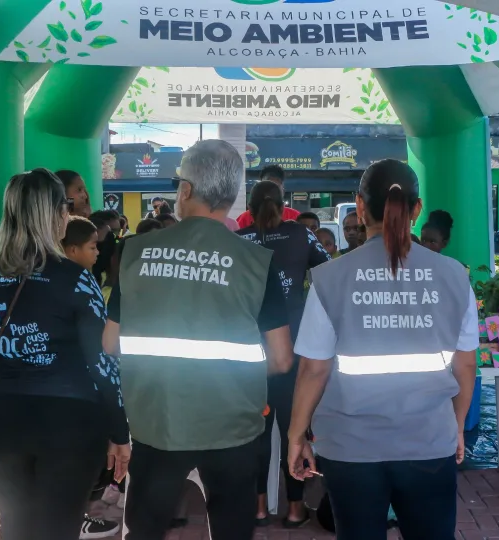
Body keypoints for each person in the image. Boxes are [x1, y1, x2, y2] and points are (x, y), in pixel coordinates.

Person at [106, 140, 295, 540]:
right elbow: (280, 359)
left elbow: (110, 343)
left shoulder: (135, 252)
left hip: (156, 422)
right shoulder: (256, 263)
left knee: (145, 530)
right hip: (234, 426)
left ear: (186, 191)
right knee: (232, 530)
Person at [287, 159, 479, 540]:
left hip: (349, 449)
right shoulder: (455, 275)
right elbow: (466, 365)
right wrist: (455, 427)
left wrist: (296, 436)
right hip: (428, 443)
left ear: (360, 207)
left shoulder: (330, 277)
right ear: (417, 209)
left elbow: (314, 369)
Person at [0, 169, 129, 540]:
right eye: (65, 207)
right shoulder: (76, 277)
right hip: (68, 424)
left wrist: (11, 376)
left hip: (0, 422)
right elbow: (102, 364)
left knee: (16, 528)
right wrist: (120, 430)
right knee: (58, 530)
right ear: (54, 213)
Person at [236, 181, 331, 528]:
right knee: (297, 429)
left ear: (249, 206)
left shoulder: (240, 241)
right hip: (295, 350)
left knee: (257, 434)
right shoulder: (301, 235)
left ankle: (259, 508)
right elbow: (328, 276)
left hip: (252, 355)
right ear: (284, 204)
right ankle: (294, 509)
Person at [236, 165, 301, 228]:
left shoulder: (296, 217)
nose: (270, 194)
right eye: (265, 188)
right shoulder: (243, 219)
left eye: (275, 190)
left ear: (283, 191)